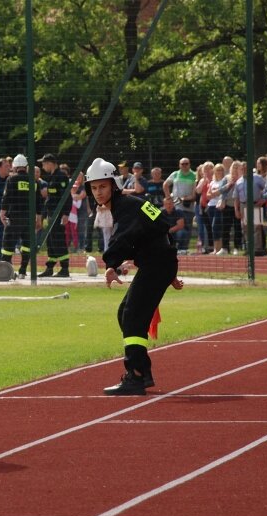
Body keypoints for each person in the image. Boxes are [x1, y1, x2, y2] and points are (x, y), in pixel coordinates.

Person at [84, 158, 182, 395]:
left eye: (103, 187)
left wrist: (111, 264)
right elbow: (161, 225)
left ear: (114, 185)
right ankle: (142, 371)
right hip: (159, 264)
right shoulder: (134, 203)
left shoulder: (125, 208)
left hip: (157, 265)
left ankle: (136, 376)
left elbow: (123, 238)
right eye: (94, 188)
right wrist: (170, 270)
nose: (98, 192)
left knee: (132, 315)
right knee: (126, 313)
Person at [0, 154, 41, 278]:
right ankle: (23, 270)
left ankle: (6, 271)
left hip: (14, 217)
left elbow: (7, 197)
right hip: (29, 218)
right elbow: (38, 202)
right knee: (27, 246)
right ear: (26, 167)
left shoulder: (11, 179)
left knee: (8, 245)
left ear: (15, 167)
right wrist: (38, 218)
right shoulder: (34, 181)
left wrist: (2, 212)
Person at [38, 153, 72, 277]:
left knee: (58, 240)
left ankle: (64, 268)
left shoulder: (61, 176)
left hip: (58, 214)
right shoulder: (52, 177)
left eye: (44, 163)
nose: (42, 166)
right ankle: (50, 267)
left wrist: (65, 214)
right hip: (51, 214)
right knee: (51, 241)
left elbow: (67, 196)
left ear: (50, 163)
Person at [163, 157, 196, 253]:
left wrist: (186, 198)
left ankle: (184, 249)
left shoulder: (194, 175)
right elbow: (165, 184)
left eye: (186, 163)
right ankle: (174, 247)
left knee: (188, 228)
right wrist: (168, 198)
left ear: (189, 164)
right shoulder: (175, 174)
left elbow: (195, 192)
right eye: (182, 164)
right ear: (179, 165)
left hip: (188, 206)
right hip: (176, 207)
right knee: (177, 228)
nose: (185, 165)